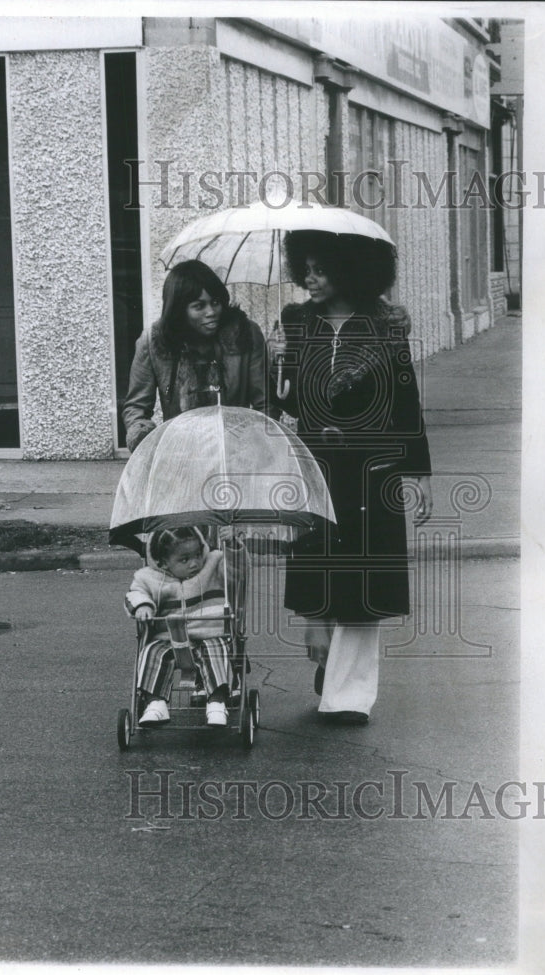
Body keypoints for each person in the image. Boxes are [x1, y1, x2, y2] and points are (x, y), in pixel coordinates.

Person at [276, 229, 433, 726]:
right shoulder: (297, 322)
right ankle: (324, 648)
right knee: (320, 562)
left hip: (373, 469)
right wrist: (279, 366)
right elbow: (288, 404)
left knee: (366, 576)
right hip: (318, 463)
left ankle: (348, 695)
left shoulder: (385, 327)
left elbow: (406, 404)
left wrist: (419, 473)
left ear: (350, 270)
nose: (309, 278)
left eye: (320, 269)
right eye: (306, 268)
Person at [122, 260, 270, 452]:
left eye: (215, 303)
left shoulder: (244, 334)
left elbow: (265, 405)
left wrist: (257, 447)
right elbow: (136, 409)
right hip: (181, 455)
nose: (211, 312)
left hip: (235, 453)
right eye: (199, 306)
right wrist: (148, 445)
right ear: (179, 311)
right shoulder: (155, 341)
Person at [125, 525, 245, 727]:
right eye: (184, 559)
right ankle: (156, 704)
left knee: (216, 651)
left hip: (209, 633)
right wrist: (143, 606)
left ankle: (216, 702)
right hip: (169, 638)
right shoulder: (149, 577)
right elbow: (135, 593)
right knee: (151, 652)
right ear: (163, 562)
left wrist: (233, 546)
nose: (194, 563)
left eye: (198, 554)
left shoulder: (213, 565)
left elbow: (237, 572)